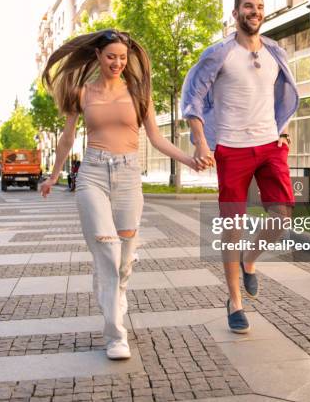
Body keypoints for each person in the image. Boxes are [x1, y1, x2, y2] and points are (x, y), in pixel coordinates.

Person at [40, 29, 200, 360]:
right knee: (108, 254)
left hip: (128, 175)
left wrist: (190, 159)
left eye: (122, 58)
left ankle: (116, 289)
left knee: (123, 261)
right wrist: (53, 175)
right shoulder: (81, 92)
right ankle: (115, 334)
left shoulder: (139, 93)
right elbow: (68, 140)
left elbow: (156, 138)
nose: (117, 63)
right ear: (98, 56)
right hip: (93, 175)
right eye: (111, 56)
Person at [181, 0, 299, 333]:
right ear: (235, 13)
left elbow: (282, 94)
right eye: (248, 6)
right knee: (232, 228)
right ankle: (235, 302)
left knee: (282, 214)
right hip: (231, 149)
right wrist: (201, 142)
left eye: (260, 6)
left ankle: (250, 261)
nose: (255, 12)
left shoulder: (276, 52)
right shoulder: (219, 53)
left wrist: (282, 127)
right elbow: (193, 98)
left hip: (269, 145)